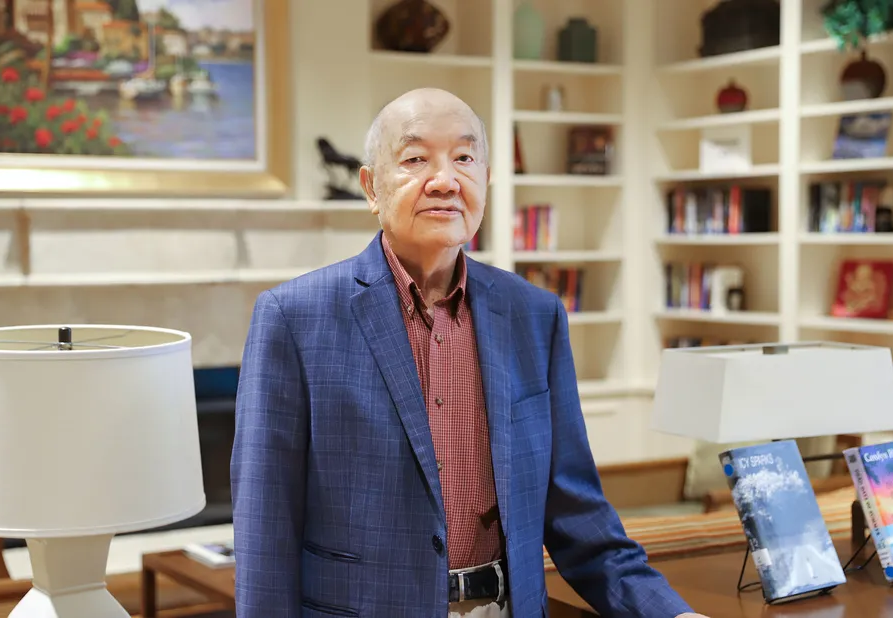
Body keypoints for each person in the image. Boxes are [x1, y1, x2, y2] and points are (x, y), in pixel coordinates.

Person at [231, 87, 708, 618]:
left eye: (464, 158)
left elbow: (578, 517)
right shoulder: (294, 317)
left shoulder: (534, 316)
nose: (445, 180)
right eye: (415, 159)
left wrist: (674, 614)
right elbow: (265, 531)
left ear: (485, 179)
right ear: (371, 187)